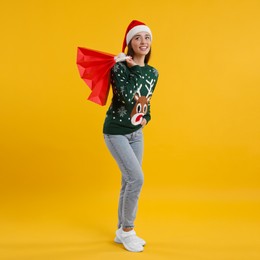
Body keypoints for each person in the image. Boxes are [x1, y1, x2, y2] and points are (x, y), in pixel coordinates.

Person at [103, 20, 159, 252]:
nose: (143, 41)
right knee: (137, 179)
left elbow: (146, 98)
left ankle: (120, 230)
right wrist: (131, 67)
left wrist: (148, 116)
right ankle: (128, 231)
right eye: (137, 38)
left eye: (146, 37)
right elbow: (127, 97)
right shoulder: (119, 68)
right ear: (129, 43)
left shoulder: (153, 72)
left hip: (136, 133)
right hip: (116, 132)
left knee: (128, 181)